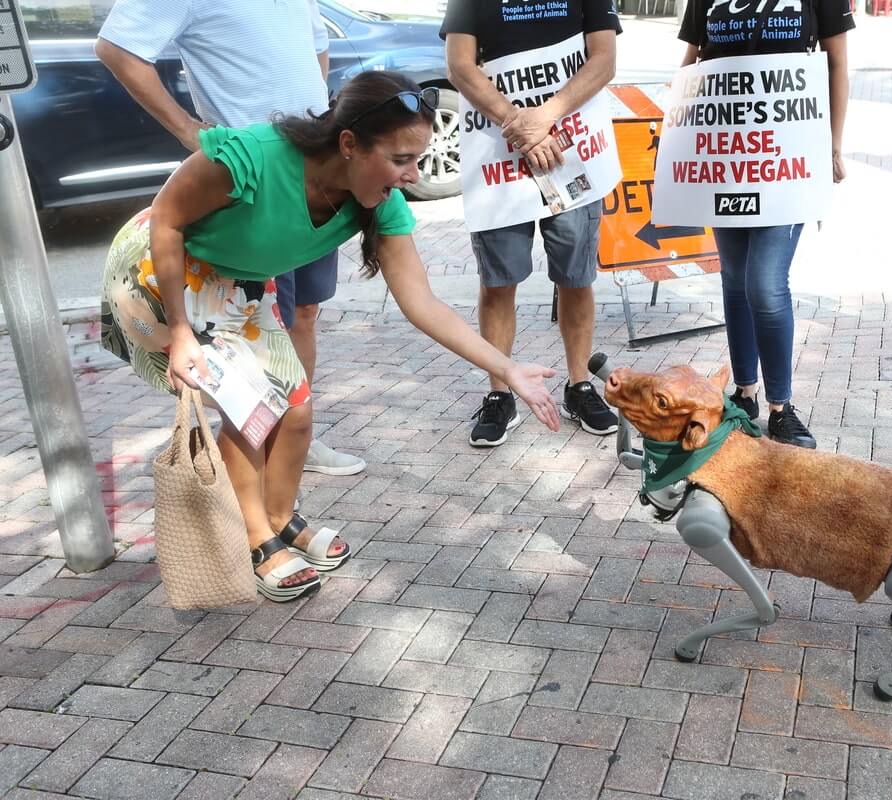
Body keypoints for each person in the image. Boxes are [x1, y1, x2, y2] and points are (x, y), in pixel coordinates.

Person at [100, 71, 561, 601]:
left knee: (295, 409)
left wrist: (505, 369)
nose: (413, 175)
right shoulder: (250, 157)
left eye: (418, 159)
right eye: (400, 158)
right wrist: (180, 332)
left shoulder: (381, 202)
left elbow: (423, 303)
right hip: (160, 274)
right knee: (253, 414)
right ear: (349, 144)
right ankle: (256, 541)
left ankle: (276, 516)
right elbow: (167, 219)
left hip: (235, 280)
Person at [96, 0, 367, 477]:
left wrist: (317, 129)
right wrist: (186, 129)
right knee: (252, 331)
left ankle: (293, 436)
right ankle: (260, 460)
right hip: (250, 179)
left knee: (303, 311)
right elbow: (116, 48)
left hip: (315, 171)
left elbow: (316, 50)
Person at [441, 0, 622, 448]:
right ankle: (500, 392)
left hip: (571, 148)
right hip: (498, 154)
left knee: (576, 278)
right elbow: (460, 67)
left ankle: (578, 386)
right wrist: (518, 123)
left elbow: (604, 59)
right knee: (498, 282)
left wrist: (545, 116)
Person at [678, 0, 854, 448]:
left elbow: (837, 64)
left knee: (764, 283)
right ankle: (745, 393)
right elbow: (691, 63)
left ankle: (781, 406)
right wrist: (677, 134)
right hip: (726, 157)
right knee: (735, 279)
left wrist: (833, 143)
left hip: (788, 161)